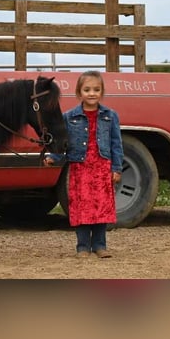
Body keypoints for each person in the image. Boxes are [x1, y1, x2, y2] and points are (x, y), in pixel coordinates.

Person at [45, 70, 122, 258]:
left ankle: (100, 246)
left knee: (101, 208)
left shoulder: (110, 116)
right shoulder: (69, 117)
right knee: (81, 208)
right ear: (79, 93)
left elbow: (116, 144)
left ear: (102, 92)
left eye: (96, 89)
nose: (92, 93)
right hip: (80, 169)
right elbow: (62, 144)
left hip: (102, 168)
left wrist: (116, 168)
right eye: (87, 89)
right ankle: (82, 247)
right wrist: (53, 157)